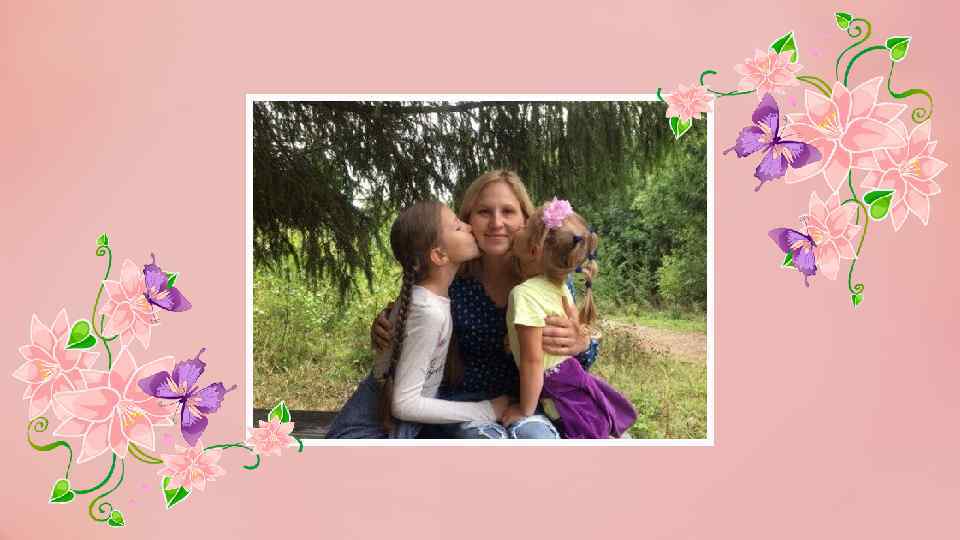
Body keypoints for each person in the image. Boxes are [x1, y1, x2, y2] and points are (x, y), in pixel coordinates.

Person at [371, 170, 601, 439]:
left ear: (526, 221)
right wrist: (386, 329)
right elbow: (415, 318)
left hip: (532, 403)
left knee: (538, 442)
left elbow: (572, 363)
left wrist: (582, 343)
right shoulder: (450, 277)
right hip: (464, 403)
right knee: (483, 446)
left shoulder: (548, 279)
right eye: (484, 212)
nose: (496, 223)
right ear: (467, 220)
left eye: (508, 211)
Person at [326, 201, 509, 439]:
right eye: (458, 227)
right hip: (366, 438)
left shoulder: (428, 299)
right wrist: (486, 410)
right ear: (439, 255)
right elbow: (404, 404)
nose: (469, 227)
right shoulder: (427, 311)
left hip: (394, 430)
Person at [501, 198, 636, 438]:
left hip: (554, 389)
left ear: (533, 250)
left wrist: (524, 410)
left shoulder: (523, 294)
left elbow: (533, 362)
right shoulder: (560, 287)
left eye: (526, 227)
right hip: (570, 376)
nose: (519, 228)